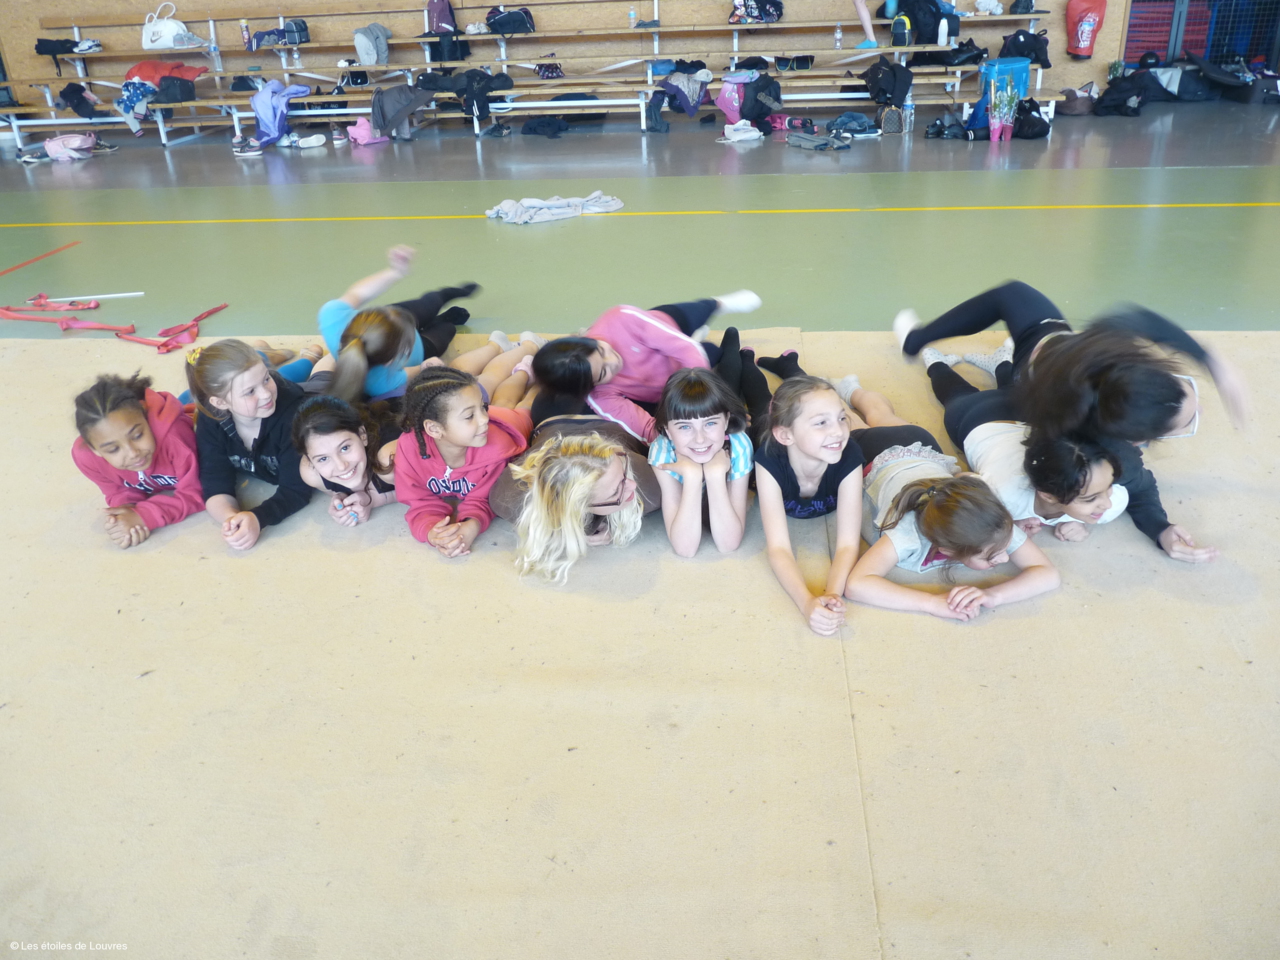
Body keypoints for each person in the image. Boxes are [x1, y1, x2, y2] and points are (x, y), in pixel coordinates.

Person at [896, 282, 1229, 561]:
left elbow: (1137, 485)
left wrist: (1160, 528)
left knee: (1004, 387)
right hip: (1042, 361)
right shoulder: (1091, 398)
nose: (1201, 410)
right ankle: (990, 364)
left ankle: (999, 365)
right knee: (996, 383)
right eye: (1188, 414)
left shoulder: (1094, 440)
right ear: (1136, 439)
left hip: (1042, 368)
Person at [893, 280, 1249, 443]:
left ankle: (991, 366)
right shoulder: (1109, 350)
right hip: (1046, 350)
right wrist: (1212, 362)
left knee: (1013, 298)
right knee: (1013, 296)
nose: (1202, 408)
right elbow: (1142, 319)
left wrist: (1211, 361)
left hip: (1036, 373)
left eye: (1190, 417)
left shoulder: (1072, 419)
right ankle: (933, 346)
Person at [841, 395, 1060, 620]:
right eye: (991, 557)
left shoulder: (994, 526)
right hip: (874, 452)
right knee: (849, 422)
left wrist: (993, 596)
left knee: (881, 416)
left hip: (922, 445)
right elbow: (856, 585)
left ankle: (853, 390)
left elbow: (1048, 575)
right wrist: (931, 602)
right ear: (946, 550)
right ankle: (841, 394)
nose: (1005, 559)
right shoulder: (907, 534)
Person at [920, 348, 1132, 543]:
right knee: (956, 394)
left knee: (1014, 389)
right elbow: (960, 480)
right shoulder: (1003, 496)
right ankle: (936, 363)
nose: (1107, 504)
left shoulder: (1115, 501)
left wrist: (1081, 522)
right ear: (1047, 495)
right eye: (1091, 499)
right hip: (975, 418)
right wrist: (1008, 522)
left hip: (1023, 417)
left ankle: (1002, 361)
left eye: (1109, 488)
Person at [530, 291, 762, 442]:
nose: (614, 361)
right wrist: (690, 437)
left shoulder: (619, 318)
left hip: (664, 330)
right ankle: (700, 341)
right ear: (590, 385)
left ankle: (718, 303)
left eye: (602, 350)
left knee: (693, 314)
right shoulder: (598, 396)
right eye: (603, 372)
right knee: (713, 352)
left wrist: (714, 407)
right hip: (669, 381)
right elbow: (644, 427)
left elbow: (685, 349)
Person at [752, 358, 864, 637]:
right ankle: (744, 359)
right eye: (821, 423)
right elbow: (778, 548)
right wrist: (805, 604)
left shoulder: (849, 453)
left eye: (841, 418)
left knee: (809, 396)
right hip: (764, 433)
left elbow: (848, 544)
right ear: (786, 435)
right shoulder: (768, 460)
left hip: (792, 423)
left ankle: (789, 365)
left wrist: (832, 596)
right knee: (757, 400)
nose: (838, 431)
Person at [395, 362, 535, 558]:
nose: (484, 418)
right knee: (502, 401)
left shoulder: (496, 451)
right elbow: (418, 499)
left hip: (512, 422)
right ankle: (521, 372)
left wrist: (473, 524)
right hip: (481, 431)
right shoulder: (410, 447)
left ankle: (529, 373)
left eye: (483, 407)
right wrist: (432, 531)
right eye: (469, 416)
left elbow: (484, 499)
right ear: (434, 429)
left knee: (521, 405)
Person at [187, 339, 315, 550]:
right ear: (220, 403)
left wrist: (258, 517)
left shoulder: (292, 418)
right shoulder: (211, 420)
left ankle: (312, 358)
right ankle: (272, 355)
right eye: (250, 391)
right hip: (279, 392)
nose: (265, 393)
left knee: (326, 377)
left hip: (317, 394)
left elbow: (297, 488)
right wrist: (232, 519)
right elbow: (214, 481)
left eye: (266, 378)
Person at [319, 244, 479, 402]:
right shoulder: (380, 385)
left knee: (431, 302)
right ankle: (442, 320)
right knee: (448, 328)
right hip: (421, 350)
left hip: (392, 322)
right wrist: (426, 366)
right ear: (391, 361)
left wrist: (396, 271)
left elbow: (358, 293)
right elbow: (412, 371)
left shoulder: (332, 317)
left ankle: (447, 298)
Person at [502, 429, 655, 583]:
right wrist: (570, 531)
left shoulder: (651, 488)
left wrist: (614, 523)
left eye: (623, 472)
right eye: (616, 492)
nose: (633, 485)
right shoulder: (507, 499)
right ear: (577, 507)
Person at [71, 372, 204, 549]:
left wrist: (147, 516)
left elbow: (200, 491)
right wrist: (126, 512)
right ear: (94, 449)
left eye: (137, 435)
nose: (133, 453)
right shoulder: (87, 458)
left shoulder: (175, 437)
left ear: (145, 415)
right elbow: (118, 490)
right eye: (114, 449)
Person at [648, 367, 753, 556]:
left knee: (756, 398)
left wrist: (715, 476)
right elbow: (685, 549)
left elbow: (728, 544)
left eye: (710, 423)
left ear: (726, 421)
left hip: (747, 429)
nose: (700, 439)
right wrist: (692, 477)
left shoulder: (739, 444)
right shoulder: (661, 451)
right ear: (668, 431)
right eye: (685, 427)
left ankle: (744, 360)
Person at [292, 396, 400, 526]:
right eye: (323, 458)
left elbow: (422, 489)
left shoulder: (390, 460)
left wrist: (374, 500)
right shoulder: (312, 474)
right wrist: (342, 498)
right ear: (310, 460)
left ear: (362, 435)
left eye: (345, 448)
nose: (341, 466)